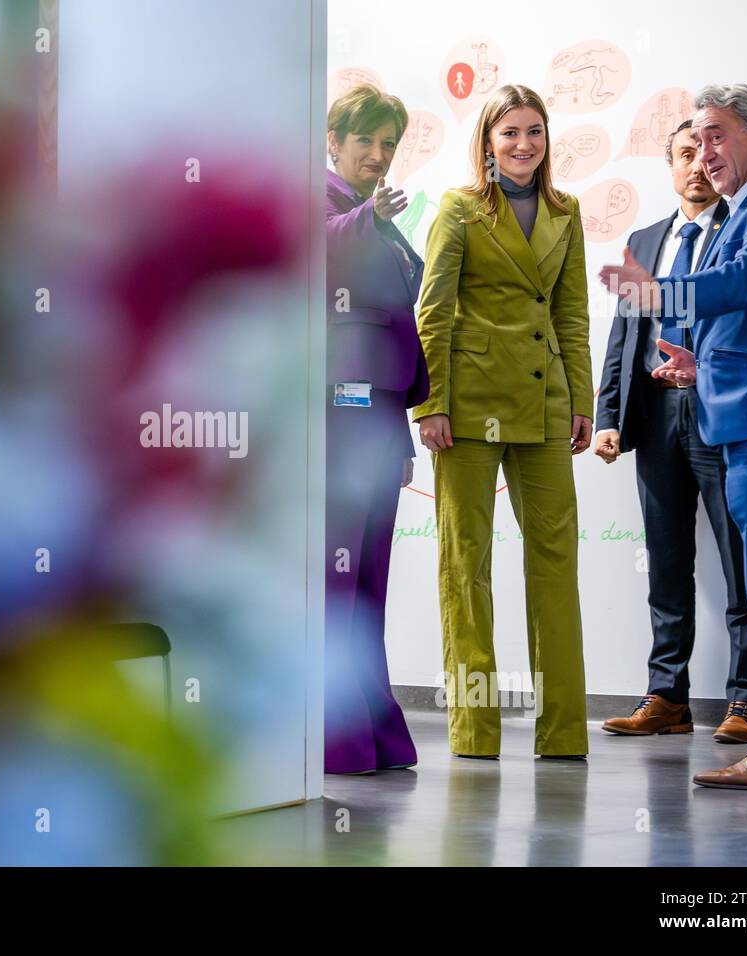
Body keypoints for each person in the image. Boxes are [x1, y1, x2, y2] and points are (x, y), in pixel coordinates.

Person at [600, 84, 747, 790]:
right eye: (693, 144)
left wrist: (663, 296)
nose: (705, 156)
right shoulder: (715, 215)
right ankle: (676, 702)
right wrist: (698, 363)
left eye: (717, 137)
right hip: (687, 409)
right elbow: (625, 341)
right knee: (694, 570)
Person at [414, 84, 593, 759]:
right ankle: (474, 728)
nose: (523, 144)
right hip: (466, 406)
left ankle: (563, 731)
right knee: (467, 563)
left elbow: (571, 315)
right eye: (510, 132)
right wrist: (429, 403)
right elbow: (433, 311)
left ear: (547, 141)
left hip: (546, 402)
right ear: (487, 141)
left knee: (556, 561)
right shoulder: (459, 210)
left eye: (535, 132)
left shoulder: (566, 210)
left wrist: (582, 402)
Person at [323, 84, 429, 774]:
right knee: (338, 578)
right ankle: (335, 735)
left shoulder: (377, 219)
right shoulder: (324, 202)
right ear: (335, 141)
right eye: (365, 140)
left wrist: (406, 432)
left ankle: (371, 726)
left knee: (368, 581)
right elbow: (319, 251)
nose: (378, 155)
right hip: (339, 412)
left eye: (388, 143)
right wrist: (365, 217)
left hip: (381, 413)